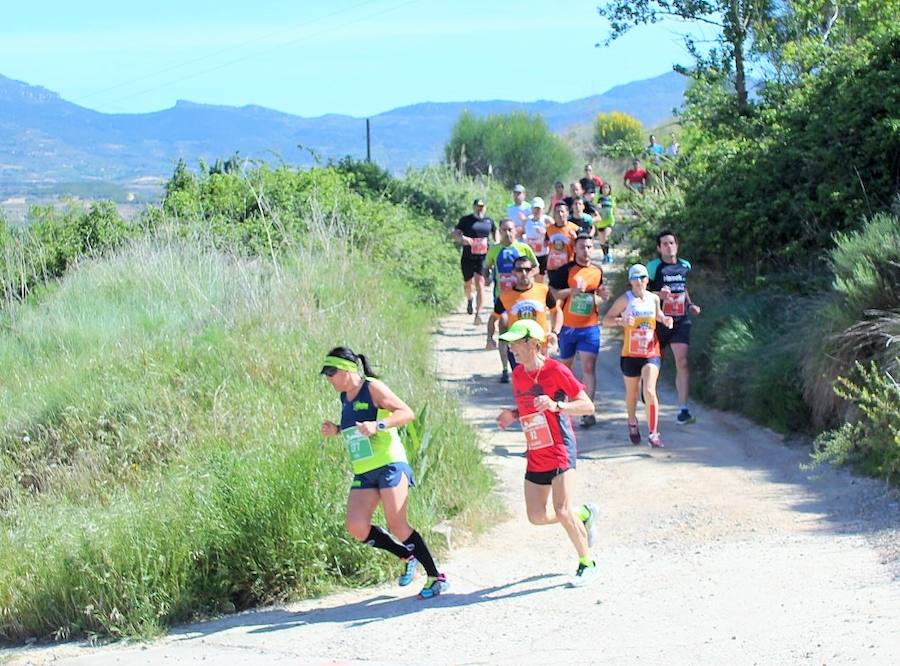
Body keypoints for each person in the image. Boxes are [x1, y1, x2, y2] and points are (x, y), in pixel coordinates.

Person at [319, 347, 449, 599]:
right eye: (326, 374)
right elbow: (354, 427)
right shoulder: (344, 397)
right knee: (356, 526)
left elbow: (406, 413)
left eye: (331, 373)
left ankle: (436, 577)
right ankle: (405, 555)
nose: (328, 379)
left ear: (347, 369)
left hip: (390, 464)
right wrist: (336, 429)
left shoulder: (373, 388)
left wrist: (377, 425)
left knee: (397, 525)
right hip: (364, 469)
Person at [495, 319, 600, 588]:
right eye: (511, 344)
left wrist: (556, 405)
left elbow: (587, 406)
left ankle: (587, 563)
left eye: (518, 343)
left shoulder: (556, 371)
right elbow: (529, 408)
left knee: (562, 510)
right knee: (536, 517)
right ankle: (584, 514)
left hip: (560, 448)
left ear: (534, 344)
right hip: (536, 450)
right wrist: (513, 414)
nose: (512, 349)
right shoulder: (518, 374)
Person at [602, 264, 673, 448]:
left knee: (649, 390)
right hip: (630, 353)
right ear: (630, 281)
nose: (639, 282)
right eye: (635, 278)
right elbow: (606, 320)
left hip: (651, 351)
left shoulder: (653, 299)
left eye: (642, 277)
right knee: (632, 394)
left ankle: (653, 432)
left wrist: (665, 319)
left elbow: (658, 315)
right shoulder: (625, 300)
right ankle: (632, 422)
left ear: (647, 280)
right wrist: (621, 321)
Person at [549, 233, 609, 428]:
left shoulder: (597, 271)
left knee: (589, 367)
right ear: (575, 249)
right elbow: (553, 293)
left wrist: (601, 297)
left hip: (589, 327)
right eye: (582, 247)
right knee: (565, 369)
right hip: (568, 328)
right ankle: (562, 409)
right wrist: (572, 292)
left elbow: (599, 295)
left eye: (590, 247)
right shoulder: (566, 270)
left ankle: (587, 411)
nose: (586, 251)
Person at [647, 230, 701, 425]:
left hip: (680, 320)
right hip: (658, 321)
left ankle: (683, 409)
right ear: (659, 248)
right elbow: (642, 291)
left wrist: (690, 304)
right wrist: (657, 295)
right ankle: (648, 392)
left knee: (683, 362)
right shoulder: (654, 267)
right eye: (664, 244)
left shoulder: (685, 265)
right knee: (652, 363)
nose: (669, 247)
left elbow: (683, 288)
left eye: (672, 243)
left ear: (677, 245)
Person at [487, 255, 560, 382]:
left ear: (532, 271)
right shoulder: (506, 296)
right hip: (518, 348)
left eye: (527, 269)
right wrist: (489, 338)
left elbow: (556, 311)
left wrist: (554, 332)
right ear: (514, 272)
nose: (524, 273)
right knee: (524, 386)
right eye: (519, 270)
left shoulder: (543, 290)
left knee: (544, 383)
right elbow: (493, 317)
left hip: (540, 346)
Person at [453, 198, 497, 325]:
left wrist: (496, 244)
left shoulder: (489, 221)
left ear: (485, 208)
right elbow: (455, 233)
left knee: (480, 284)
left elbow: (496, 232)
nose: (480, 209)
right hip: (467, 257)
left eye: (482, 206)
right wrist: (463, 239)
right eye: (478, 206)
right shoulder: (466, 220)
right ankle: (470, 298)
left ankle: (478, 314)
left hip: (482, 257)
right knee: (468, 284)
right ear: (473, 207)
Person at [546, 202, 581, 278]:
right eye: (557, 212)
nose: (560, 214)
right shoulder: (549, 229)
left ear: (567, 213)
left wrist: (575, 238)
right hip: (553, 267)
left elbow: (581, 247)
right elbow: (545, 243)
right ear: (554, 214)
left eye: (562, 211)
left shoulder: (575, 228)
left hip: (568, 266)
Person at [523, 197, 553, 280]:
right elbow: (521, 231)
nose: (536, 211)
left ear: (542, 209)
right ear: (531, 209)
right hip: (530, 254)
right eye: (535, 208)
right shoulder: (527, 220)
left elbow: (555, 233)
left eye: (539, 209)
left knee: (540, 278)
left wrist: (546, 232)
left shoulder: (546, 220)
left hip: (543, 254)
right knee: (529, 277)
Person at [595, 182, 616, 264]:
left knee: (606, 237)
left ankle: (608, 255)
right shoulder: (598, 198)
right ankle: (605, 255)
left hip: (609, 221)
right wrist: (597, 206)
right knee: (602, 240)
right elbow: (594, 207)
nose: (605, 189)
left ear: (609, 189)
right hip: (600, 222)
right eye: (604, 188)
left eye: (607, 188)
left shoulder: (612, 198)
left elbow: (614, 208)